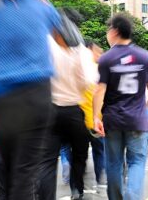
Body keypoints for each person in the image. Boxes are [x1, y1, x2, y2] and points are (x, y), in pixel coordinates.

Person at [0, 0, 61, 200]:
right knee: (25, 171)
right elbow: (57, 29)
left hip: (3, 100)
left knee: (5, 167)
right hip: (37, 96)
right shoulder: (41, 7)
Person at [93, 14, 148, 200]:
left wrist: (95, 117)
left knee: (113, 163)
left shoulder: (106, 59)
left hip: (112, 120)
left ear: (114, 31)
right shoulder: (144, 56)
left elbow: (99, 91)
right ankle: (132, 196)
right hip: (138, 119)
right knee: (137, 161)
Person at [49, 30, 96, 200]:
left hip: (52, 111)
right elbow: (88, 81)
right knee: (80, 155)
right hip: (75, 111)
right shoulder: (80, 52)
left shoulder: (48, 47)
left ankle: (45, 195)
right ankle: (77, 189)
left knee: (48, 160)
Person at [78, 40, 107, 187]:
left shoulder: (77, 67)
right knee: (99, 151)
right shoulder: (98, 70)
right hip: (95, 120)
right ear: (88, 50)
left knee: (79, 154)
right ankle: (100, 181)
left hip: (80, 119)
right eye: (98, 51)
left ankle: (79, 186)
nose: (100, 55)